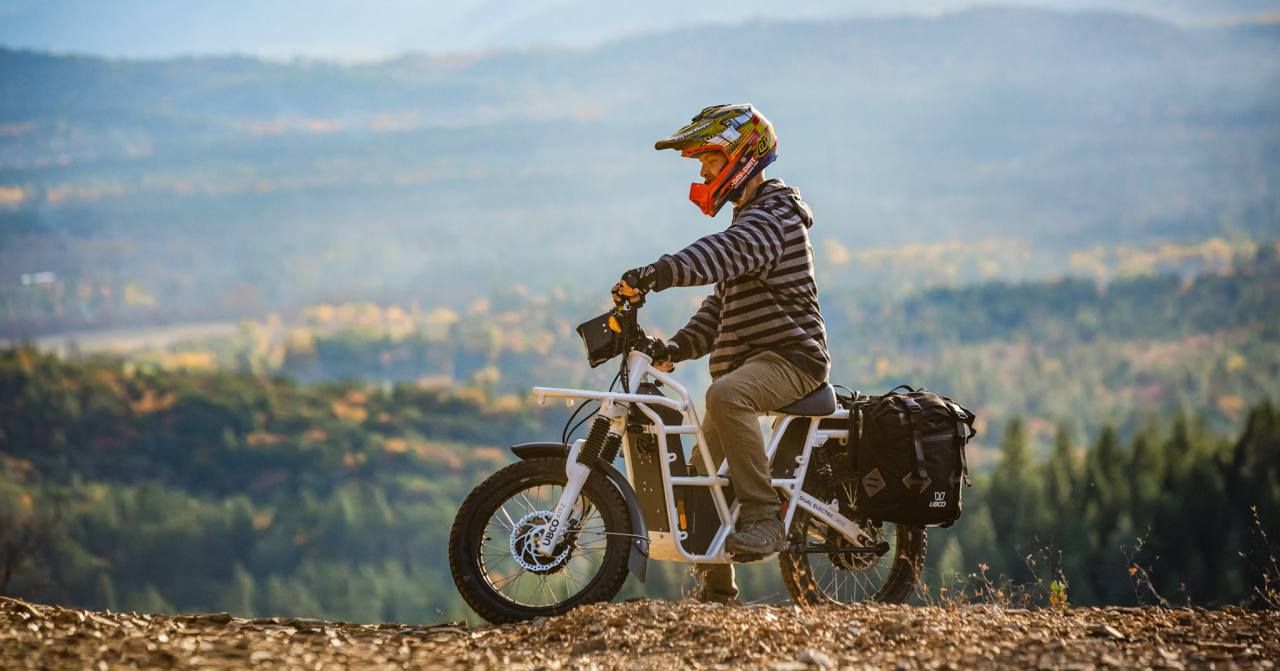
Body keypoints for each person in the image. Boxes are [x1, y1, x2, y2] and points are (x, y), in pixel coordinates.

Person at [614, 103, 830, 604]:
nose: (705, 173)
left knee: (726, 396)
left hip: (792, 358)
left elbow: (721, 255)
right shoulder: (749, 220)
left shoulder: (773, 217)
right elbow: (719, 308)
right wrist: (675, 348)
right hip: (754, 362)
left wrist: (658, 273)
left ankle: (761, 517)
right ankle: (716, 586)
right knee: (702, 465)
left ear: (743, 158)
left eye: (710, 161)